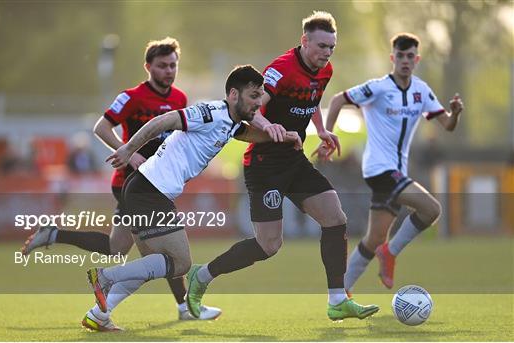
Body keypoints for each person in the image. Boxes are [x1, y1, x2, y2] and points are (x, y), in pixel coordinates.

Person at [185, 11, 379, 321]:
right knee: (269, 245)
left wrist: (323, 130)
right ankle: (203, 275)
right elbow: (253, 106)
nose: (327, 53)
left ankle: (337, 299)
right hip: (264, 164)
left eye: (331, 47)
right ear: (304, 41)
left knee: (335, 218)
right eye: (321, 46)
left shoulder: (324, 70)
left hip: (294, 158)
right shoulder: (280, 69)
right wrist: (267, 126)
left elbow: (312, 100)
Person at [20, 37, 221, 330]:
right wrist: (130, 153)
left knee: (121, 248)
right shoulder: (132, 96)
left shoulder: (179, 98)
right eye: (162, 65)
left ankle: (54, 237)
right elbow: (101, 126)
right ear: (148, 66)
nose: (169, 71)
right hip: (131, 183)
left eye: (173, 65)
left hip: (157, 184)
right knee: (162, 253)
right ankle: (169, 307)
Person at [85, 65, 303, 329]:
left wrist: (283, 136)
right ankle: (106, 277)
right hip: (150, 190)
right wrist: (129, 149)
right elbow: (161, 122)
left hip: (145, 188)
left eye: (260, 96)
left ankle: (99, 315)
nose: (259, 103)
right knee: (180, 263)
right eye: (254, 95)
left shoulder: (232, 123)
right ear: (234, 95)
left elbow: (252, 134)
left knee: (154, 265)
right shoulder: (211, 112)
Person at [317, 33, 464, 292]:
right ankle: (391, 252)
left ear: (416, 59)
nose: (405, 61)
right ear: (392, 58)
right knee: (431, 209)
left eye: (410, 56)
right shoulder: (378, 87)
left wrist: (456, 113)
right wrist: (328, 136)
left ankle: (341, 293)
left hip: (396, 173)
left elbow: (448, 125)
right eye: (400, 56)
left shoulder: (421, 91)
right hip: (379, 169)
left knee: (374, 239)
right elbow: (339, 99)